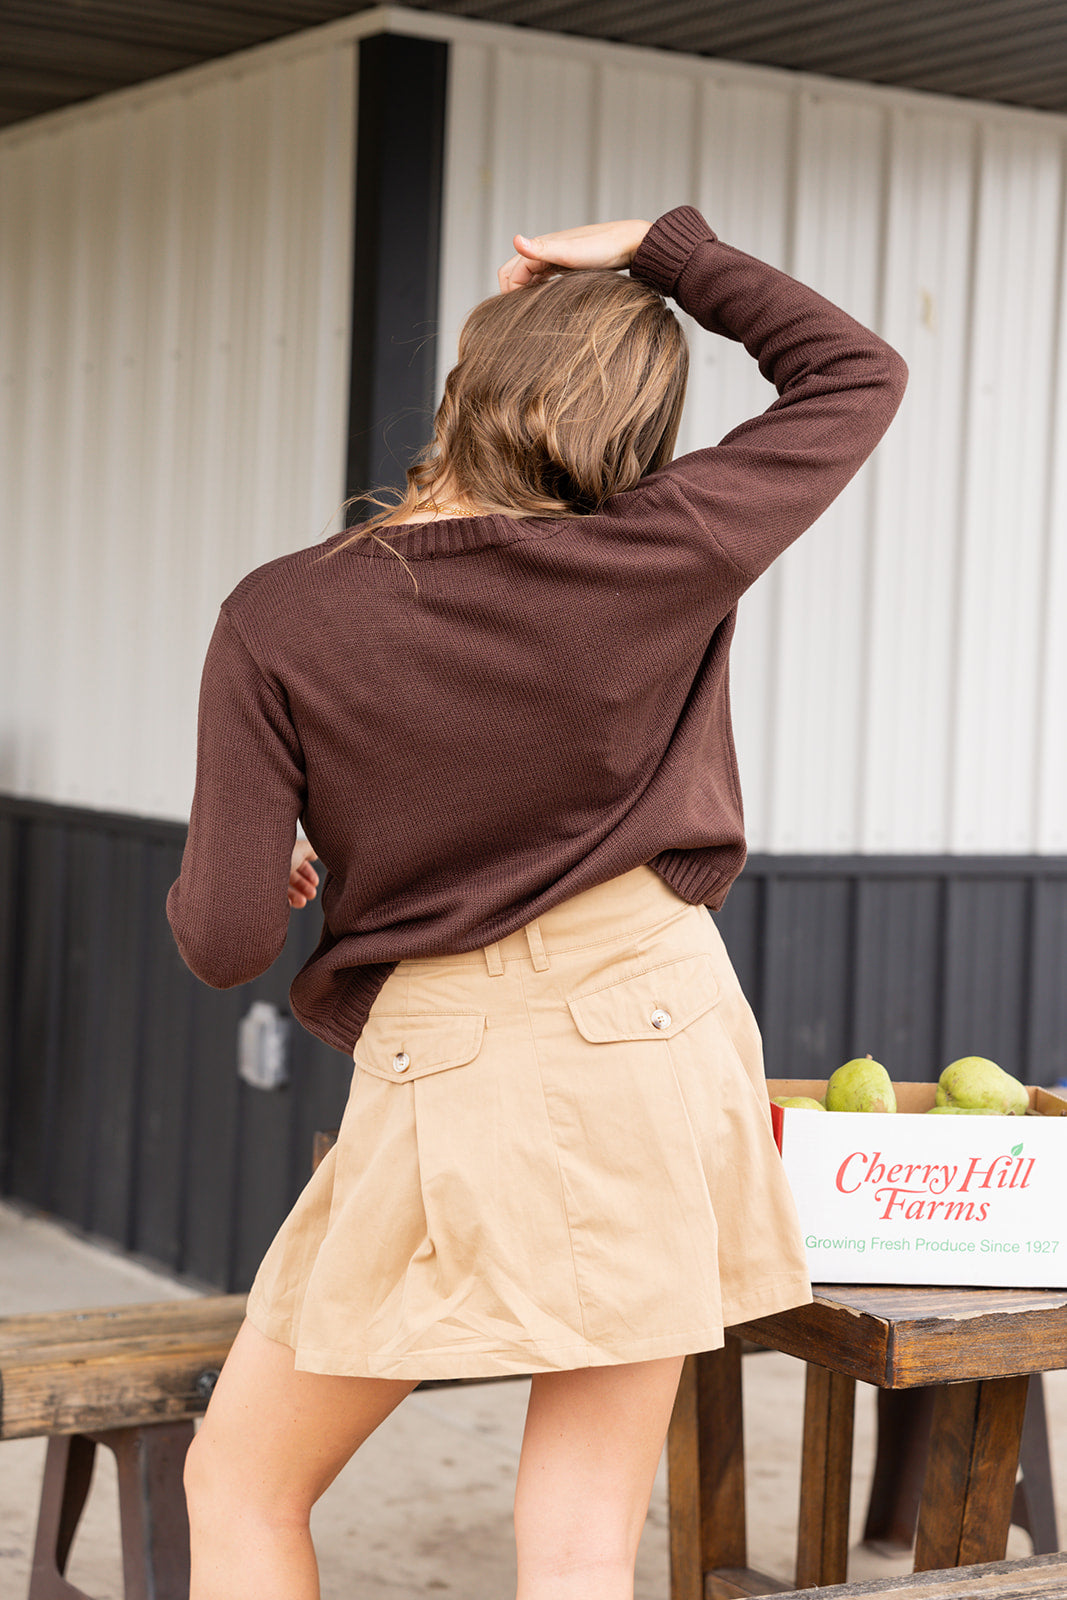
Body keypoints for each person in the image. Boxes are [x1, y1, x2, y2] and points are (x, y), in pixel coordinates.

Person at [168, 206, 907, 1600]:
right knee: (577, 1538)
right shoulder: (664, 547)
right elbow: (855, 372)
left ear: (462, 391)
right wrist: (668, 247)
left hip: (443, 1056)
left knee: (244, 1483)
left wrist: (261, 865)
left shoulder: (279, 616)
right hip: (653, 1018)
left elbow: (224, 945)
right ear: (640, 438)